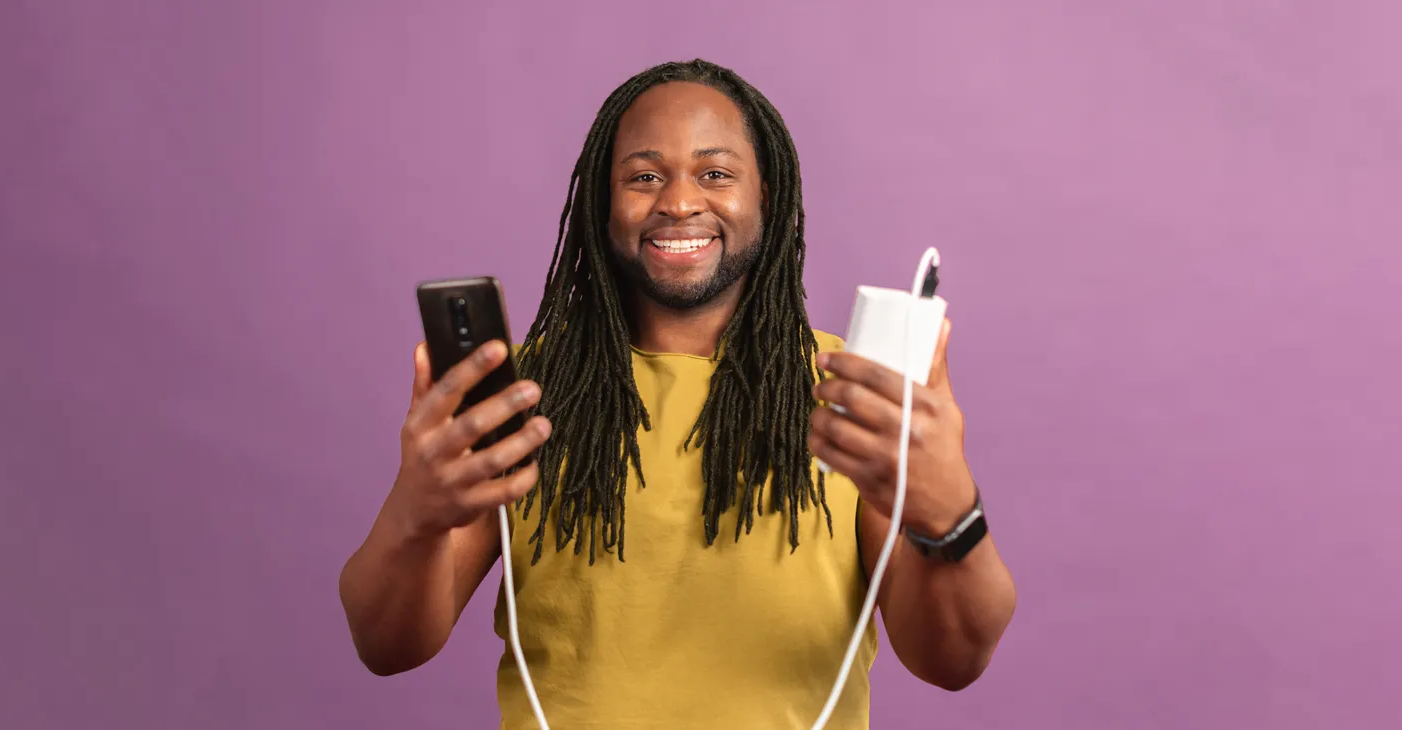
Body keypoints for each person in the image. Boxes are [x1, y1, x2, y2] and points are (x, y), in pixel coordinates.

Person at [338, 59, 1017, 729]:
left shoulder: (851, 393)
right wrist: (414, 513)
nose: (680, 202)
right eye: (644, 177)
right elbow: (387, 646)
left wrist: (949, 517)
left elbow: (951, 659)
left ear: (769, 196)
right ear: (602, 205)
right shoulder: (520, 399)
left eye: (715, 173)